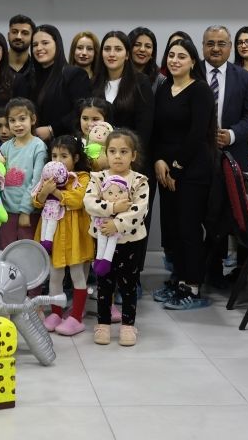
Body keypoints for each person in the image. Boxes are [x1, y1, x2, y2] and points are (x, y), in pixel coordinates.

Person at [151, 37, 216, 311]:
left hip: (192, 170)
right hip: (166, 170)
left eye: (181, 56)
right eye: (171, 55)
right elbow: (156, 130)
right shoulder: (164, 88)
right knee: (174, 229)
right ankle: (178, 280)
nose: (175, 60)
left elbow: (197, 133)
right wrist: (159, 160)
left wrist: (176, 166)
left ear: (192, 62)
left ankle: (193, 286)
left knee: (189, 228)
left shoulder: (200, 90)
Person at [199, 25, 248, 288]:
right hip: (198, 157)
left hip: (232, 156)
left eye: (221, 43)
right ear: (203, 46)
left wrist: (232, 135)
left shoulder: (243, 77)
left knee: (229, 215)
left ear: (230, 47)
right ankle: (205, 271)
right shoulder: (192, 72)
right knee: (203, 214)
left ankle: (233, 274)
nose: (215, 48)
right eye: (210, 43)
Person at [85, 130, 151, 347]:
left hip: (130, 242)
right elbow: (89, 203)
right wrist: (112, 208)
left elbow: (139, 210)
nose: (117, 156)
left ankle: (128, 325)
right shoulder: (97, 178)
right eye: (112, 151)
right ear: (106, 153)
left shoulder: (140, 181)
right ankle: (103, 324)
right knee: (104, 283)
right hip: (103, 240)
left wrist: (117, 224)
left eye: (123, 152)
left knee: (128, 285)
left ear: (133, 155)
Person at [33, 134, 93, 337]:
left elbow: (77, 200)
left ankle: (76, 317)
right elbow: (36, 200)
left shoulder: (82, 177)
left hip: (75, 236)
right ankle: (56, 314)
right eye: (54, 156)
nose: (58, 161)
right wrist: (45, 192)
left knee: (77, 275)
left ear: (75, 158)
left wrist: (57, 193)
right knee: (55, 275)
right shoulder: (47, 178)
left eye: (64, 156)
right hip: (54, 237)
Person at [13, 24, 92, 141]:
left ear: (57, 45)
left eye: (45, 43)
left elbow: (81, 111)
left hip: (64, 143)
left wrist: (52, 129)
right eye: (35, 45)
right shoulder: (26, 79)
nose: (39, 48)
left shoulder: (74, 74)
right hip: (29, 143)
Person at [0, 97, 47, 249]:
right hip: (6, 212)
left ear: (33, 119)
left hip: (28, 212)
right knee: (5, 250)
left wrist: (26, 210)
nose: (17, 124)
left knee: (28, 251)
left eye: (22, 119)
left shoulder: (38, 147)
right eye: (12, 120)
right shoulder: (5, 147)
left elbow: (37, 181)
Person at [92, 31, 155, 147]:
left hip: (129, 152)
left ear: (127, 55)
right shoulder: (93, 83)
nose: (111, 54)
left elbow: (144, 128)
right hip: (97, 152)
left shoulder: (141, 82)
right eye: (107, 49)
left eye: (118, 49)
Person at [78, 98, 114, 172]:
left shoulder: (114, 143)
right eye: (85, 118)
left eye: (95, 119)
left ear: (105, 121)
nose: (89, 124)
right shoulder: (74, 142)